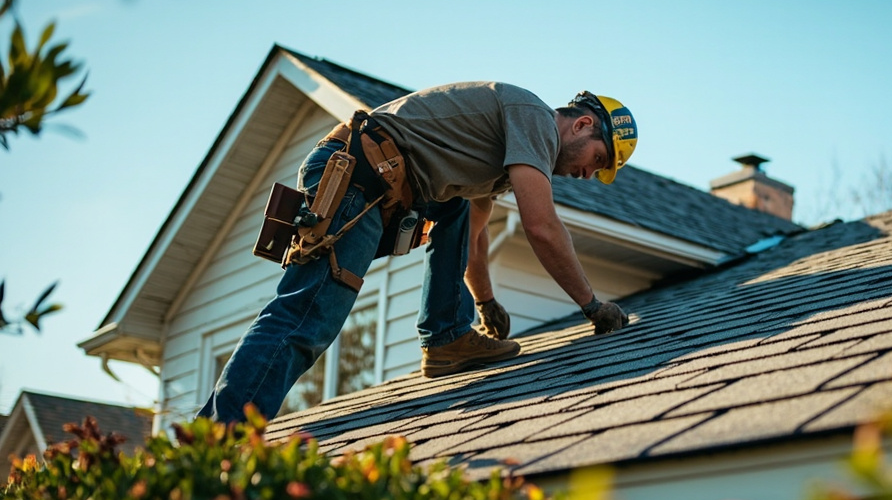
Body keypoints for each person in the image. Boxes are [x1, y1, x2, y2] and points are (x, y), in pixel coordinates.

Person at [197, 83, 637, 424]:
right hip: (358, 173)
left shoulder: (501, 161)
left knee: (456, 210)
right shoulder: (533, 118)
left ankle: (445, 337)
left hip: (381, 182)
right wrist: (591, 304)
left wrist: (484, 301)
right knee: (306, 317)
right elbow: (542, 226)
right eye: (598, 160)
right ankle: (220, 436)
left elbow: (472, 238)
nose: (587, 175)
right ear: (582, 125)